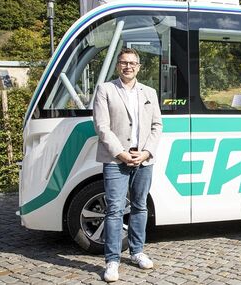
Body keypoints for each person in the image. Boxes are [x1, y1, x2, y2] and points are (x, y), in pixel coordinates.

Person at [93, 48, 162, 282]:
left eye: (132, 63)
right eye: (124, 63)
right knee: (114, 210)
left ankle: (137, 252)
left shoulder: (149, 92)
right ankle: (112, 261)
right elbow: (102, 126)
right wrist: (121, 153)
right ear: (117, 66)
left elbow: (157, 126)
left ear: (139, 67)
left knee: (140, 206)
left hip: (144, 159)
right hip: (115, 159)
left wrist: (147, 152)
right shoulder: (105, 90)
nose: (128, 67)